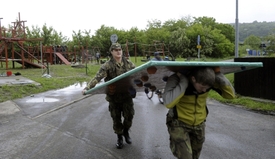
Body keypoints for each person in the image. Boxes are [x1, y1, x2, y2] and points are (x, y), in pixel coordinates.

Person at [162, 67, 235, 159]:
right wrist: (184, 82)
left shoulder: (207, 81)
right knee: (186, 157)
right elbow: (168, 103)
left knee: (194, 157)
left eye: (207, 88)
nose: (204, 90)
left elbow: (230, 95)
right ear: (193, 79)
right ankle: (176, 147)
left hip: (199, 125)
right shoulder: (175, 79)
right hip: (178, 123)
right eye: (202, 87)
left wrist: (218, 74)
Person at [82, 43, 136, 149]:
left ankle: (126, 132)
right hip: (114, 97)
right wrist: (87, 88)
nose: (118, 51)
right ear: (111, 52)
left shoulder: (129, 64)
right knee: (116, 119)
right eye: (115, 50)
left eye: (119, 49)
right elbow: (98, 77)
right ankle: (119, 137)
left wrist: (137, 88)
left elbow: (137, 76)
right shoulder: (107, 65)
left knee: (129, 117)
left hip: (126, 97)